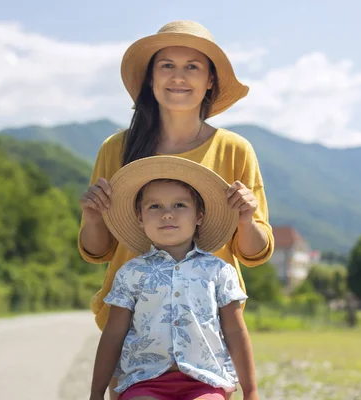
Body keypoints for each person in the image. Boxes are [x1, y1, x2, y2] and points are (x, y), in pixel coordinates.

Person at [79, 20, 274, 399]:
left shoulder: (235, 149)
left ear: (210, 81)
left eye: (192, 66)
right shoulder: (115, 149)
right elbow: (98, 251)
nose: (178, 77)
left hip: (205, 338)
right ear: (150, 78)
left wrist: (245, 219)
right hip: (135, 336)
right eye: (166, 65)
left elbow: (254, 252)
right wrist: (90, 217)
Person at [88, 156, 258, 400]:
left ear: (199, 215)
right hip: (143, 381)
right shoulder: (130, 273)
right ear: (139, 216)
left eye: (179, 205)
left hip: (205, 382)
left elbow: (235, 332)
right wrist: (96, 394)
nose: (167, 214)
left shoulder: (219, 271)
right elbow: (113, 335)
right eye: (155, 207)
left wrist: (251, 392)